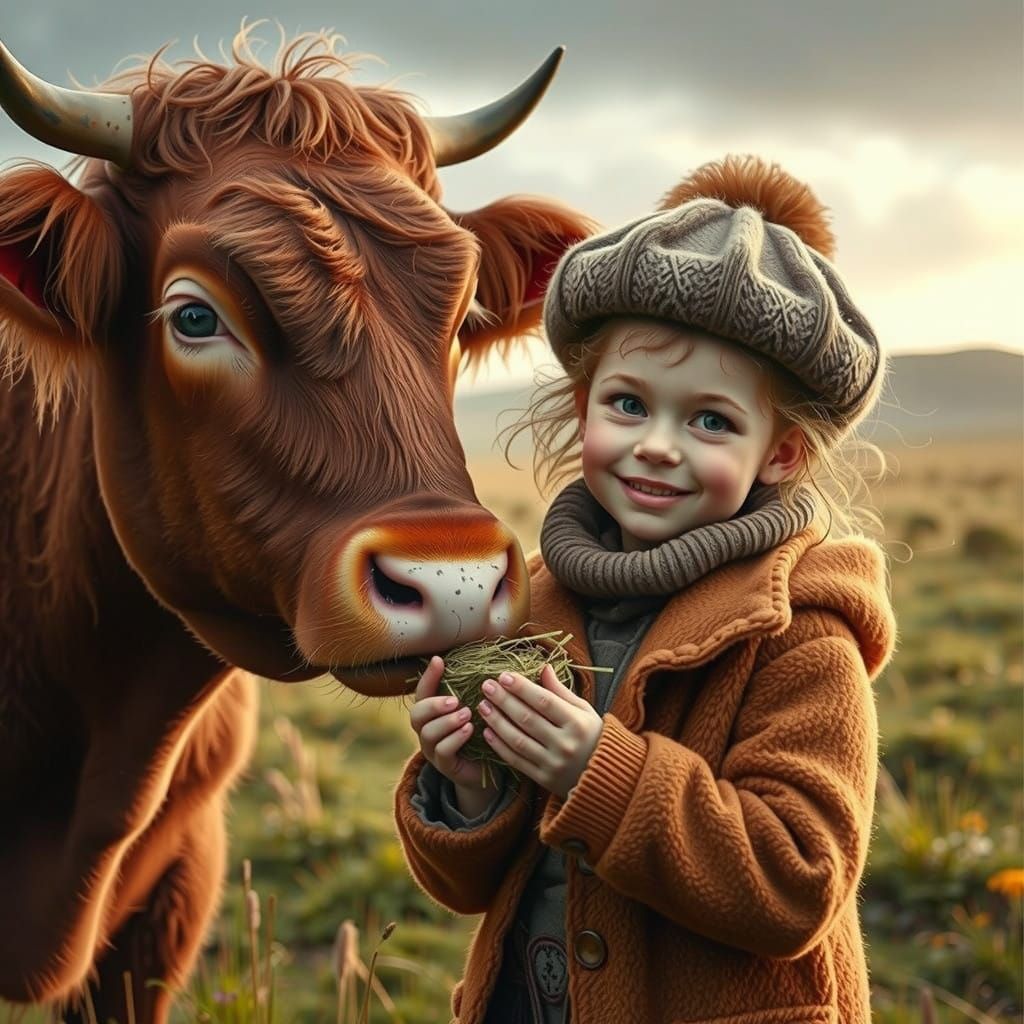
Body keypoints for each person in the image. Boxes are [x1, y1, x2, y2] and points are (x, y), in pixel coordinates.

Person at [393, 154, 896, 1024]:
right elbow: (470, 890)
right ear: (585, 406)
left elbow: (797, 883)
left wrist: (600, 770)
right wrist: (470, 787)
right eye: (629, 404)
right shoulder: (533, 606)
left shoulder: (803, 633)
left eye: (710, 420)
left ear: (780, 454)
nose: (658, 445)